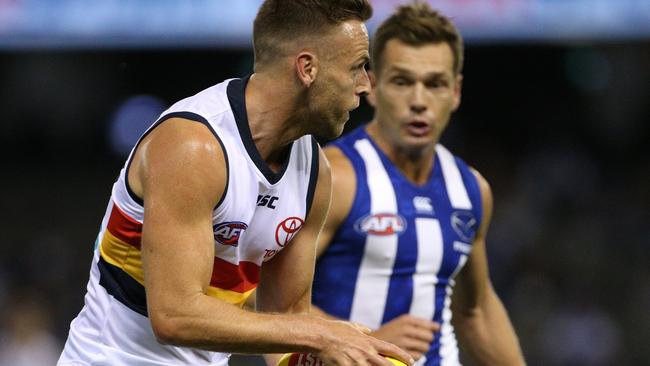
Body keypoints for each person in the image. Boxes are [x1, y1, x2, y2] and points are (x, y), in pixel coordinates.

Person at [57, 1, 414, 365]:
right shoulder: (192, 146)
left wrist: (341, 357)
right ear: (307, 68)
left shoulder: (315, 174)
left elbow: (287, 323)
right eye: (357, 67)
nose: (366, 86)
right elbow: (175, 316)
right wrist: (324, 333)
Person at [311, 3, 526, 365]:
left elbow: (476, 311)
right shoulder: (335, 177)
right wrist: (359, 341)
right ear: (373, 87)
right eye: (402, 81)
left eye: (435, 84)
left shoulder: (471, 189)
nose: (418, 101)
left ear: (455, 92)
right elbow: (265, 294)